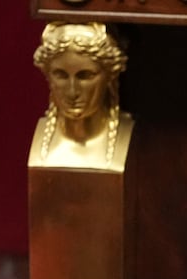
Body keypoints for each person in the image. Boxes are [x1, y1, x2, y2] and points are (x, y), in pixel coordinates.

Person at [30, 22, 133, 172]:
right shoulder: (42, 144)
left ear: (110, 76)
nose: (72, 92)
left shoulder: (126, 135)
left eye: (85, 76)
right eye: (61, 75)